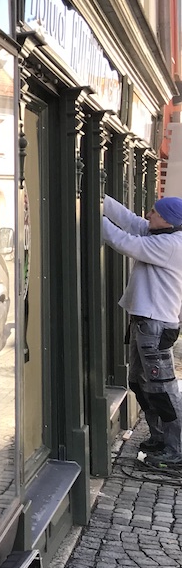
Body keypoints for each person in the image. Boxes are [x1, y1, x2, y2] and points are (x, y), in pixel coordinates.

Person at [101, 195, 182, 468]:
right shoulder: (162, 233)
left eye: (154, 212)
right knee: (139, 383)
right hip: (146, 321)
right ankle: (160, 438)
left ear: (168, 219)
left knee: (162, 390)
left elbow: (126, 242)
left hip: (155, 324)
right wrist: (102, 200)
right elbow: (132, 222)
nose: (148, 214)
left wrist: (88, 213)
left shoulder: (171, 244)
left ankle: (176, 449)